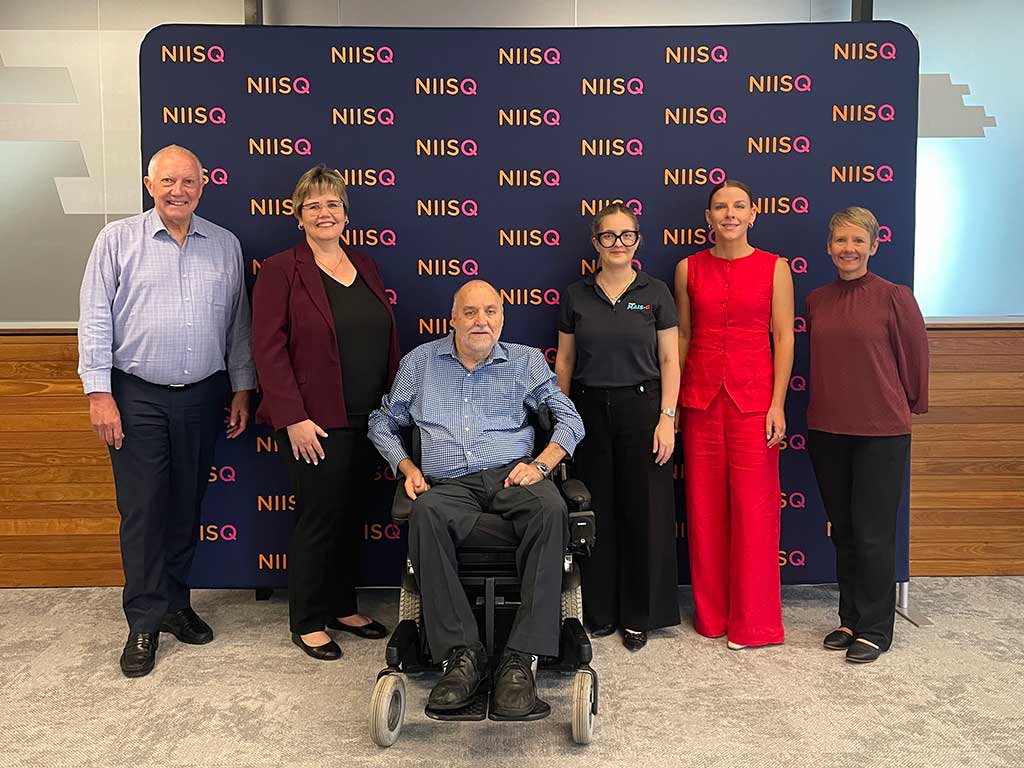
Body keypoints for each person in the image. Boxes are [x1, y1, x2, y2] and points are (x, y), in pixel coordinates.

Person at [368, 280, 585, 718]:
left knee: (550, 508)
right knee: (426, 512)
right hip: (448, 486)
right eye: (470, 312)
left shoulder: (524, 362)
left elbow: (570, 419)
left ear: (502, 318)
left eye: (490, 312)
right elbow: (381, 422)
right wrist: (407, 468)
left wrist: (541, 465)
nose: (480, 321)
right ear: (453, 318)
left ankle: (520, 659)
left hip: (514, 478)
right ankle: (462, 656)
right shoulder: (421, 363)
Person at [78, 144, 255, 678]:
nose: (179, 191)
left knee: (186, 505)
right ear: (149, 184)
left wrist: (243, 387)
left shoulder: (225, 245)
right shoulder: (116, 240)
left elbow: (238, 326)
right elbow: (93, 317)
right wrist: (98, 392)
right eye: (168, 181)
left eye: (189, 182)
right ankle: (144, 621)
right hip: (136, 396)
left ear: (204, 185)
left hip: (205, 394)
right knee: (143, 510)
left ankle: (177, 603)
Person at [252, 165, 400, 661]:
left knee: (353, 515)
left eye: (332, 204)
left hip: (370, 417)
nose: (324, 212)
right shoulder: (280, 270)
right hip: (314, 422)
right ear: (298, 217)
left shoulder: (367, 266)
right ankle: (308, 618)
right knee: (319, 518)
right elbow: (267, 349)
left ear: (346, 214)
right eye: (312, 205)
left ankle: (342, 604)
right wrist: (292, 417)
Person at [554, 203, 681, 652]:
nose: (618, 244)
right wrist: (562, 426)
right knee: (596, 511)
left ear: (638, 241)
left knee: (643, 512)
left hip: (643, 410)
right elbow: (564, 363)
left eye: (627, 235)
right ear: (595, 243)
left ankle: (638, 615)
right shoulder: (576, 295)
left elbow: (670, 360)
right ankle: (601, 611)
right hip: (587, 411)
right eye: (609, 236)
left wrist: (668, 419)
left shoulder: (656, 291)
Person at [675, 179, 794, 650]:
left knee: (755, 512)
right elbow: (682, 336)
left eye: (738, 206)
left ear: (752, 214)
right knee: (703, 512)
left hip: (753, 404)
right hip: (701, 401)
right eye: (720, 207)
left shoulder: (774, 268)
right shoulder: (688, 269)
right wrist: (676, 403)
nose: (729, 214)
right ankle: (712, 617)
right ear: (708, 217)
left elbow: (783, 337)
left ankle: (755, 624)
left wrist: (777, 403)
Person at [806, 206, 928, 664]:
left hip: (881, 432)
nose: (849, 249)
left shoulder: (895, 296)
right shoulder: (817, 299)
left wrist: (907, 405)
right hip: (827, 430)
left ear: (875, 246)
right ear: (828, 247)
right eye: (841, 241)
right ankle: (851, 617)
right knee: (846, 532)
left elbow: (915, 361)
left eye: (858, 241)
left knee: (875, 533)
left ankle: (877, 627)